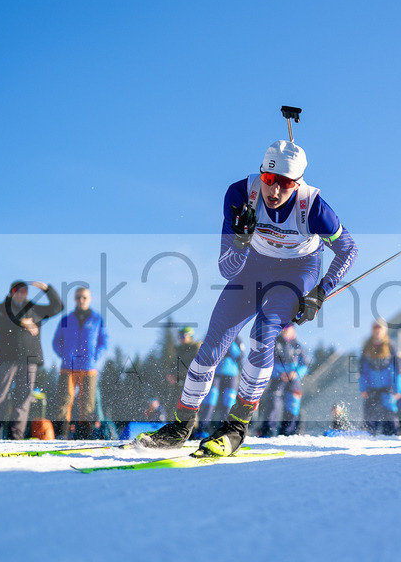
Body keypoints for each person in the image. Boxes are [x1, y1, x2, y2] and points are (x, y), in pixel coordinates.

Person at [136, 136, 357, 456]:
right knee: (211, 346)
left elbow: (347, 249)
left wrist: (321, 292)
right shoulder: (241, 194)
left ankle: (236, 426)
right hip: (252, 270)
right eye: (269, 180)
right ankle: (181, 425)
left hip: (297, 270)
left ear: (298, 183)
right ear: (261, 174)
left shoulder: (314, 207)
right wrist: (240, 240)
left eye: (284, 183)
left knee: (264, 332)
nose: (275, 190)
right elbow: (228, 269)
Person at [0, 280, 63, 439]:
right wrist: (21, 323)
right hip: (7, 358)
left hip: (30, 359)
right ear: (11, 292)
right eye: (17, 290)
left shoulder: (34, 308)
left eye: (24, 291)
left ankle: (16, 436)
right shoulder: (1, 308)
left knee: (23, 398)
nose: (21, 294)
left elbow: (58, 307)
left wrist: (48, 289)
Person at [52, 287, 109, 439]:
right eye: (78, 297)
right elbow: (56, 341)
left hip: (89, 367)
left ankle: (85, 436)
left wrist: (95, 357)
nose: (81, 300)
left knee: (88, 404)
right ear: (74, 299)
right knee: (64, 400)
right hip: (68, 367)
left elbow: (104, 341)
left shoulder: (97, 319)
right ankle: (61, 435)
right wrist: (64, 355)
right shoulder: (66, 319)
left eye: (84, 297)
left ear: (89, 299)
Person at [257, 325, 309, 436]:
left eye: (288, 328)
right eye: (283, 328)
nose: (285, 330)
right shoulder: (275, 344)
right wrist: (280, 373)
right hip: (278, 379)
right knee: (274, 404)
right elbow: (268, 362)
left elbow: (304, 365)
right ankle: (267, 430)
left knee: (293, 405)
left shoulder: (298, 346)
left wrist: (296, 373)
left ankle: (289, 432)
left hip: (294, 381)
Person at [358, 320, 401, 435]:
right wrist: (363, 388)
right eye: (375, 328)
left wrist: (398, 388)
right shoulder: (367, 347)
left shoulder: (391, 346)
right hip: (371, 390)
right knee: (370, 422)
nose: (377, 330)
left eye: (380, 328)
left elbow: (398, 369)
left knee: (390, 421)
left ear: (385, 330)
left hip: (387, 391)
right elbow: (362, 370)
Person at [198, 336, 242, 436]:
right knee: (210, 399)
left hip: (231, 375)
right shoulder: (215, 333)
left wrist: (229, 341)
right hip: (215, 373)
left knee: (229, 401)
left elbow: (239, 355)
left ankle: (226, 429)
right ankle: (202, 429)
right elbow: (206, 353)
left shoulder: (236, 338)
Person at [166, 326, 201, 418]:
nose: (181, 338)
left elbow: (195, 366)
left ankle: (193, 428)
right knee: (175, 404)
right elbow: (174, 364)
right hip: (179, 381)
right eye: (180, 336)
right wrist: (170, 374)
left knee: (190, 406)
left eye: (183, 336)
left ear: (190, 336)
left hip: (192, 381)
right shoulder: (180, 349)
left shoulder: (196, 348)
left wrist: (176, 375)